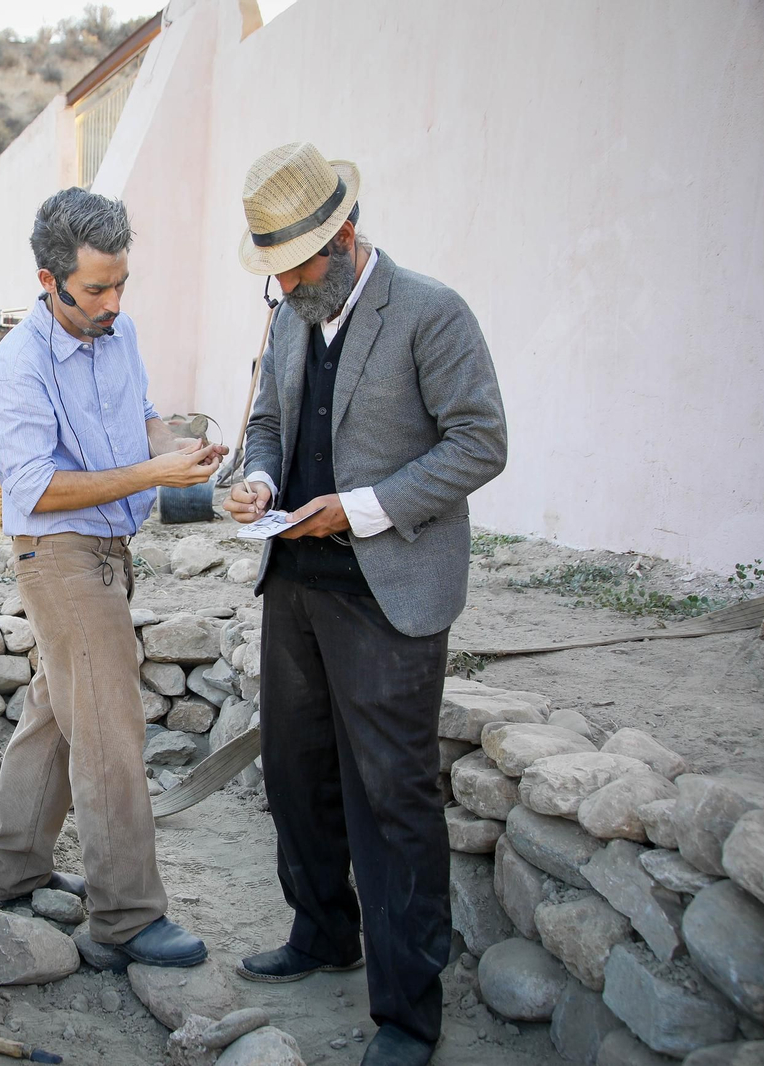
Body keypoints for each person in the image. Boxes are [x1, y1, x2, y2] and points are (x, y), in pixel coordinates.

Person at [222, 143, 507, 1066]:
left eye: (296, 264)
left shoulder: (432, 311)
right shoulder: (295, 313)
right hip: (296, 585)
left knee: (393, 800)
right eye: (275, 270)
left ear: (343, 236)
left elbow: (481, 443)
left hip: (390, 596)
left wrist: (362, 509)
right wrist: (258, 481)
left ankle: (408, 1015)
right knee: (297, 779)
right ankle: (321, 935)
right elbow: (265, 425)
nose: (286, 284)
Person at [0, 187, 224, 967]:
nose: (113, 303)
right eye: (95, 290)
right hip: (59, 555)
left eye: (122, 284)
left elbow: (138, 419)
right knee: (111, 729)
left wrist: (182, 443)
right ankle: (126, 918)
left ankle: (10, 871)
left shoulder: (120, 332)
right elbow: (37, 488)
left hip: (110, 547)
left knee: (58, 710)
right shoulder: (15, 368)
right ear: (48, 282)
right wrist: (150, 467)